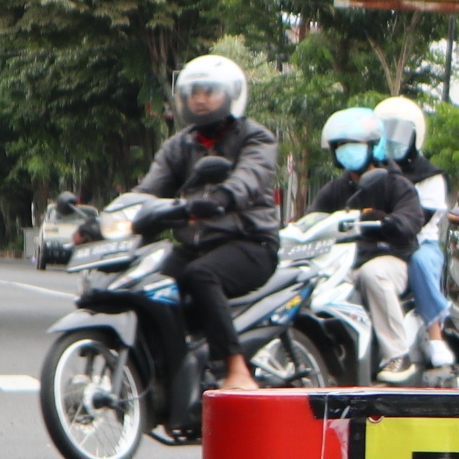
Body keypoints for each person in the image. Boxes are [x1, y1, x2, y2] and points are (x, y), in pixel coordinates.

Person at [130, 53, 282, 396]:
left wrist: (220, 199)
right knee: (144, 282)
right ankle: (164, 370)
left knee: (200, 275)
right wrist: (107, 220)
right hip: (196, 246)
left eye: (209, 92)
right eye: (194, 92)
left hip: (249, 243)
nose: (200, 99)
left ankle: (236, 368)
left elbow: (248, 178)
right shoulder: (178, 146)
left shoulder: (256, 138)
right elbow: (147, 192)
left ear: (229, 95)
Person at [309, 105, 425, 381]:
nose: (346, 151)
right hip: (346, 261)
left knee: (373, 274)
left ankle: (398, 355)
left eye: (353, 145)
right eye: (340, 146)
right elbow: (313, 220)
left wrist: (383, 220)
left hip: (390, 260)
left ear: (374, 146)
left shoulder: (396, 184)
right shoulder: (336, 190)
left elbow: (411, 222)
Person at [372, 96, 455, 372]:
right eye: (385, 132)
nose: (393, 141)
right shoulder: (371, 171)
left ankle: (435, 335)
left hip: (420, 243)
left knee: (419, 261)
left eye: (400, 132)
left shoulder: (431, 176)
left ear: (415, 136)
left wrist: (388, 220)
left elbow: (420, 219)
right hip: (378, 242)